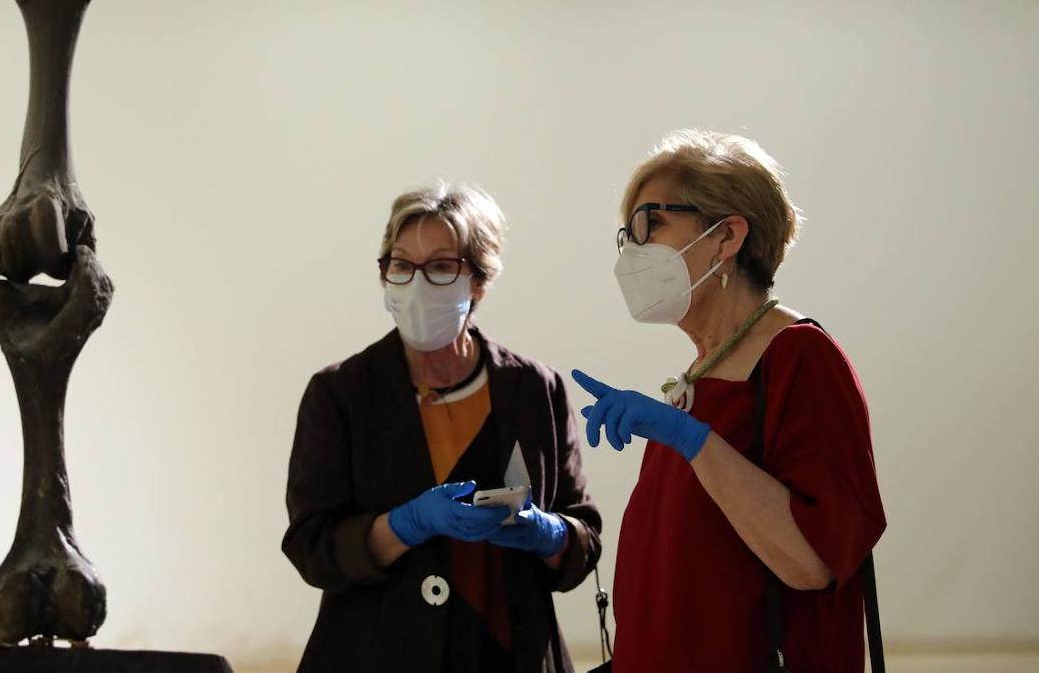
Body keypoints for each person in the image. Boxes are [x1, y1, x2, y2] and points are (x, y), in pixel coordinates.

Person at [573, 130, 886, 672]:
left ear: (727, 236)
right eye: (628, 235)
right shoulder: (699, 374)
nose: (634, 252)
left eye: (652, 224)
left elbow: (812, 560)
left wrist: (692, 440)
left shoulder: (801, 358)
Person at [284, 182, 602, 673]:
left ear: (478, 280)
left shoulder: (535, 388)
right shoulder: (342, 393)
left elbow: (584, 540)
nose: (415, 282)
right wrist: (404, 525)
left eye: (439, 266)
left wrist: (551, 534)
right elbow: (312, 549)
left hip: (509, 651)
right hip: (377, 652)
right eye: (401, 264)